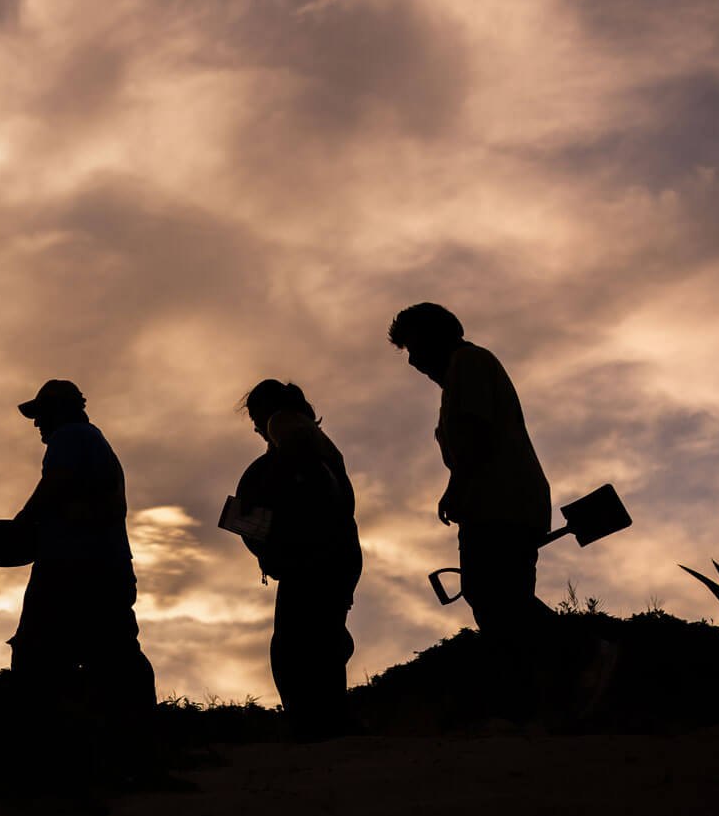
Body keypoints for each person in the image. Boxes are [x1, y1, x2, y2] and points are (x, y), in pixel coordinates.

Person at [389, 302, 555, 715]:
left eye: (414, 346)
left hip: (502, 503)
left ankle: (583, 655)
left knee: (499, 599)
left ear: (436, 336)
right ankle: (537, 698)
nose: (411, 360)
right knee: (497, 600)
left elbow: (477, 436)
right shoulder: (463, 374)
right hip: (496, 502)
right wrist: (457, 488)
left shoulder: (469, 364)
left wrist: (457, 487)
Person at [7, 378, 157, 719]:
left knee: (37, 652)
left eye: (41, 414)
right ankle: (136, 734)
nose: (36, 423)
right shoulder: (95, 441)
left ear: (61, 412)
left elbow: (55, 484)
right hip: (108, 565)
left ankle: (37, 733)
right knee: (114, 654)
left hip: (72, 567)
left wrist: (20, 525)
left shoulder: (69, 436)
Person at [235, 379, 362, 737]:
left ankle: (315, 723)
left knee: (294, 646)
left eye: (255, 418)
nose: (257, 428)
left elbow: (294, 477)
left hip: (316, 555)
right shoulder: (316, 438)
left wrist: (261, 514)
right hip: (338, 551)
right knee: (322, 636)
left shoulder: (285, 423)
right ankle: (333, 718)